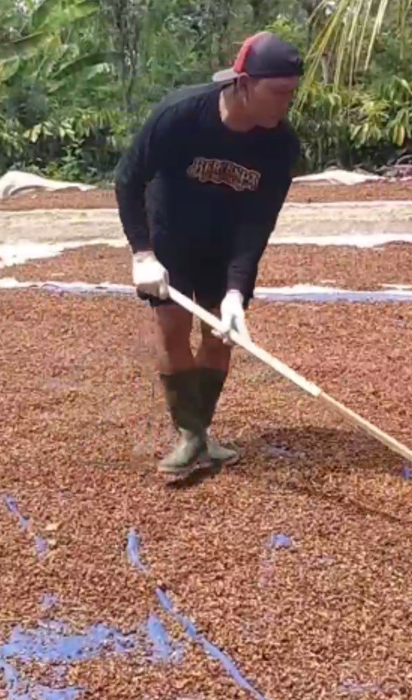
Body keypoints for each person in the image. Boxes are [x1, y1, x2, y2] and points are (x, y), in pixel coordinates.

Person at [114, 31, 303, 476]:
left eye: (292, 94)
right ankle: (190, 435)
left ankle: (202, 431)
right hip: (171, 237)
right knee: (172, 330)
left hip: (225, 245)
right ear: (243, 83)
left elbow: (259, 222)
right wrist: (142, 253)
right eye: (277, 93)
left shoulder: (280, 145)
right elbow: (127, 180)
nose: (285, 104)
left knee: (220, 335)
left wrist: (237, 291)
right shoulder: (180, 115)